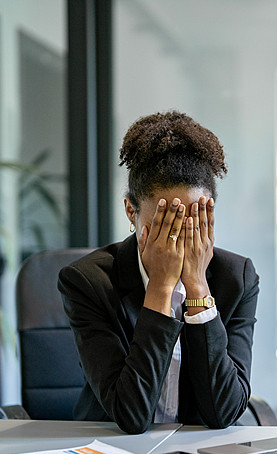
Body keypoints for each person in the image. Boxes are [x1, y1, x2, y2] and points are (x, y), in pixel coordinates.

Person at [58, 111, 260, 434]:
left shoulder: (237, 280)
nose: (179, 240)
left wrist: (197, 288)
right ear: (131, 211)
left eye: (192, 224)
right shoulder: (87, 283)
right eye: (166, 225)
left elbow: (224, 412)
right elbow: (130, 415)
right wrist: (161, 289)